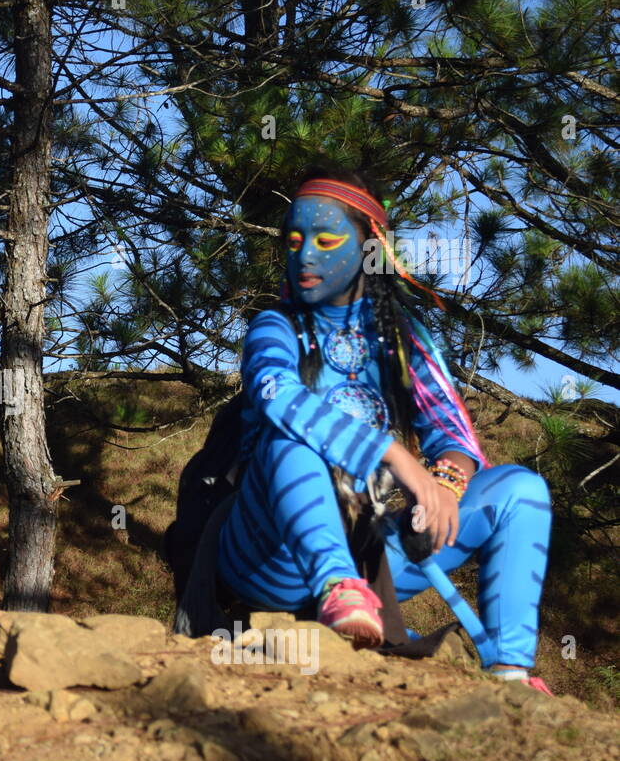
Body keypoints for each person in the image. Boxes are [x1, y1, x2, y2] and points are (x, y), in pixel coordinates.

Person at [217, 166, 554, 695]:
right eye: (294, 240)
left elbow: (453, 435)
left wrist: (444, 484)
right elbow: (277, 396)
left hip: (372, 552)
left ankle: (509, 669)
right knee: (290, 439)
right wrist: (396, 457)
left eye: (326, 240)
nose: (304, 256)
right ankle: (335, 588)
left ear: (370, 248)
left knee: (520, 491)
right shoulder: (273, 328)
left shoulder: (403, 340)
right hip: (268, 553)